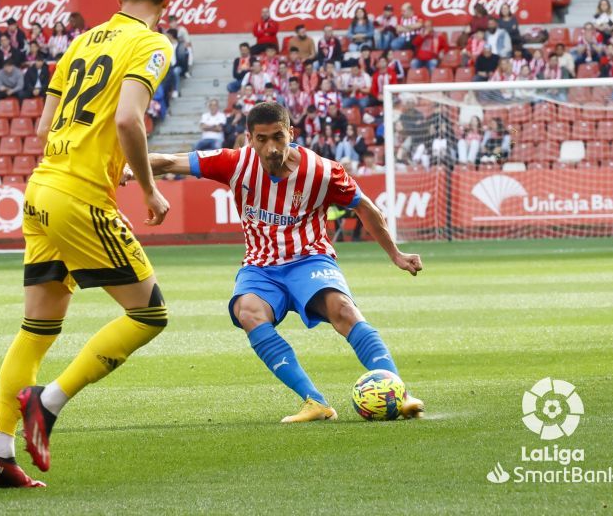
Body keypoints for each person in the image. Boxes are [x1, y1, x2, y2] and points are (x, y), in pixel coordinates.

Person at [0, 0, 175, 489]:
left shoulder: (81, 42)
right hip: (80, 198)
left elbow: (43, 128)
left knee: (36, 330)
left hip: (41, 188)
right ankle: (49, 402)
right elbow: (129, 120)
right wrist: (150, 190)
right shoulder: (152, 43)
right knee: (149, 314)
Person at [146, 102, 425, 422]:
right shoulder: (234, 163)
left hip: (310, 258)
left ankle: (399, 393)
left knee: (343, 310)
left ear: (291, 133)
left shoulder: (323, 171)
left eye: (278, 137)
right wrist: (127, 168)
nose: (271, 148)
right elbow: (169, 161)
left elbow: (365, 207)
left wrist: (395, 254)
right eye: (262, 139)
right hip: (261, 266)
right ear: (249, 138)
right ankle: (315, 402)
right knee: (248, 312)